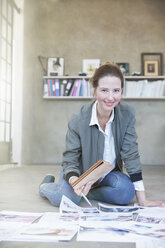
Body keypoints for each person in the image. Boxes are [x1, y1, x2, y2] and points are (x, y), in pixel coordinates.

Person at [39, 62, 164, 207]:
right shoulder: (78, 119)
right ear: (94, 89)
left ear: (122, 91)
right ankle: (44, 187)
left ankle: (88, 193)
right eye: (104, 90)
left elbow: (131, 155)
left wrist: (142, 199)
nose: (110, 97)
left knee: (126, 192)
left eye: (116, 90)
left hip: (107, 175)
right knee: (66, 198)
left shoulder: (127, 115)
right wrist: (75, 181)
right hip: (79, 174)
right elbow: (70, 159)